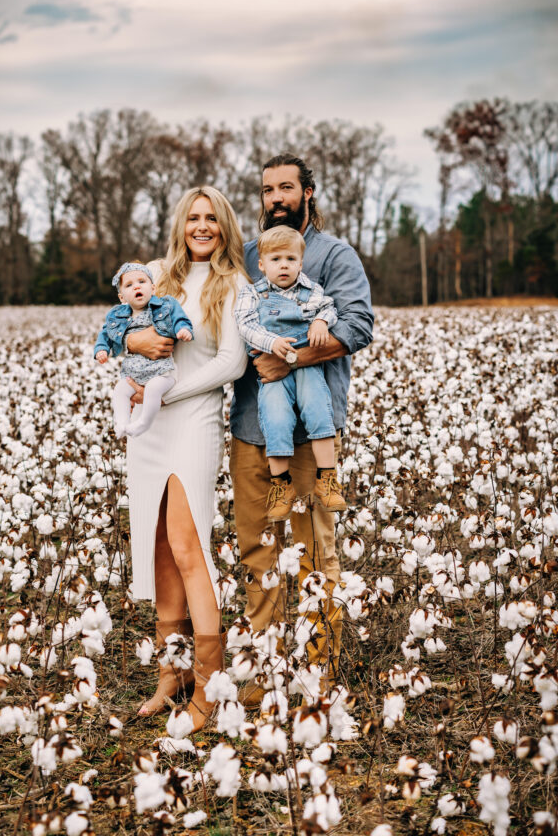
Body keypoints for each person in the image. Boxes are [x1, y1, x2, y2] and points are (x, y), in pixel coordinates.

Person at [229, 155, 374, 705]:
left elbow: (357, 325)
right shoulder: (245, 258)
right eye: (268, 190)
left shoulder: (335, 256)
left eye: (286, 187)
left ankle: (320, 671)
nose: (276, 198)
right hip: (251, 424)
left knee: (315, 550)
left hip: (314, 430)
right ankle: (262, 671)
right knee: (257, 548)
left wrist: (290, 362)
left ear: (309, 192)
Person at [123, 187, 249, 731]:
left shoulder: (235, 283)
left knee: (187, 543)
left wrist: (166, 394)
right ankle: (170, 675)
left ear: (224, 227)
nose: (202, 227)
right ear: (182, 224)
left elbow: (232, 363)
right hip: (148, 427)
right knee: (157, 546)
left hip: (193, 418)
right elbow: (119, 325)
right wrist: (132, 343)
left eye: (212, 219)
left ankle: (210, 685)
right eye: (193, 218)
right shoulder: (156, 272)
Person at [234, 225, 346, 521]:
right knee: (275, 417)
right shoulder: (251, 293)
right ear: (261, 265)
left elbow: (330, 308)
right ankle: (281, 485)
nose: (283, 265)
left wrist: (321, 322)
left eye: (290, 259)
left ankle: (327, 479)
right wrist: (271, 342)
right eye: (275, 259)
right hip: (272, 369)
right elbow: (244, 325)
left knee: (320, 411)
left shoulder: (312, 291)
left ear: (300, 262)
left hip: (307, 364)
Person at [94, 262, 193, 439]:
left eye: (142, 281)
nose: (137, 286)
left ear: (153, 288)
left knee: (153, 389)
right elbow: (105, 334)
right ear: (122, 297)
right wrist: (102, 349)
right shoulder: (117, 316)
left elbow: (179, 318)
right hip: (133, 373)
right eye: (129, 285)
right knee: (120, 390)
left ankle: (144, 423)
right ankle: (122, 423)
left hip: (162, 372)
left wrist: (183, 329)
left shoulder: (165, 306)